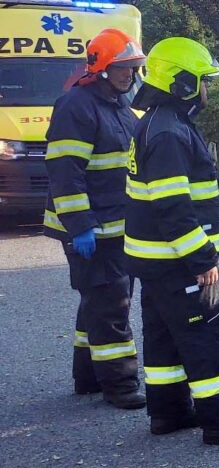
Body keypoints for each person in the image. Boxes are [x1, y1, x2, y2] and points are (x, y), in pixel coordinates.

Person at [125, 37, 219, 444]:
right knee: (208, 332)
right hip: (178, 259)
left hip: (154, 260)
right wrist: (202, 259)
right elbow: (173, 209)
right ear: (182, 83)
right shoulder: (170, 132)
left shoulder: (158, 122)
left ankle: (168, 412)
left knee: (164, 335)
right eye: (202, 81)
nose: (207, 91)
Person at [43, 28, 148, 409]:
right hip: (90, 228)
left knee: (98, 302)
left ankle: (88, 377)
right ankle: (119, 385)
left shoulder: (119, 104)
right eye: (123, 68)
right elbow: (64, 171)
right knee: (112, 305)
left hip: (114, 225)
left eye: (134, 67)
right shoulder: (77, 106)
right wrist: (81, 225)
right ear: (101, 67)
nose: (130, 74)